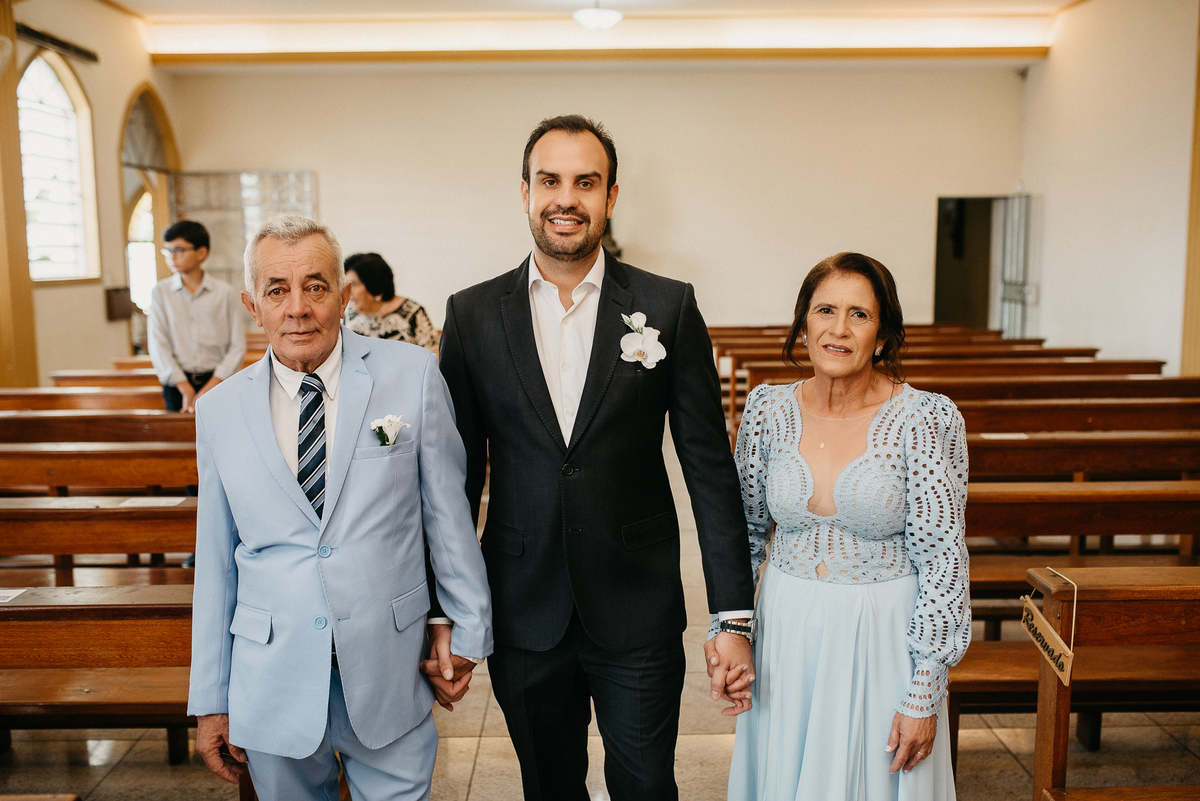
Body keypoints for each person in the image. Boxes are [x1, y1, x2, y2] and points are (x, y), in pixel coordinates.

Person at [438, 114, 756, 801]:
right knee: (549, 788)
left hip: (637, 601)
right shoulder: (471, 315)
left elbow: (708, 469)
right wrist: (448, 612)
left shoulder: (668, 306)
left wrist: (732, 615)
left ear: (611, 196)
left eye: (586, 182)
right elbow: (455, 483)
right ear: (525, 192)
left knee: (646, 786)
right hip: (524, 603)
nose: (566, 198)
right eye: (550, 180)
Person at [188, 214, 492, 800]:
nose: (297, 308)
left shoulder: (412, 375)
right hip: (272, 677)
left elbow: (448, 518)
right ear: (253, 306)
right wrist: (210, 698)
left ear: (345, 295)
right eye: (277, 290)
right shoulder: (220, 411)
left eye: (315, 286)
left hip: (390, 666)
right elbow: (216, 564)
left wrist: (465, 629)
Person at [723, 252, 970, 801]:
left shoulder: (925, 418)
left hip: (882, 639)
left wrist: (925, 689)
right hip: (785, 633)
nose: (838, 329)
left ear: (882, 336)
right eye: (825, 310)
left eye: (859, 314)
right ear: (803, 324)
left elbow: (943, 560)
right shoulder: (766, 409)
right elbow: (744, 536)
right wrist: (731, 630)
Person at [148, 220, 246, 413]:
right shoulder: (160, 292)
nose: (172, 257)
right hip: (177, 385)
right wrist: (185, 388)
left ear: (201, 252)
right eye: (168, 250)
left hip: (218, 381)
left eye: (179, 250)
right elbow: (158, 344)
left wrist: (211, 385)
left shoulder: (224, 293)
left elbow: (237, 346)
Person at [344, 252, 440, 351]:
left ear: (374, 286)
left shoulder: (412, 312)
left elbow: (434, 354)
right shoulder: (347, 313)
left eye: (354, 284)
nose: (348, 290)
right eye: (346, 284)